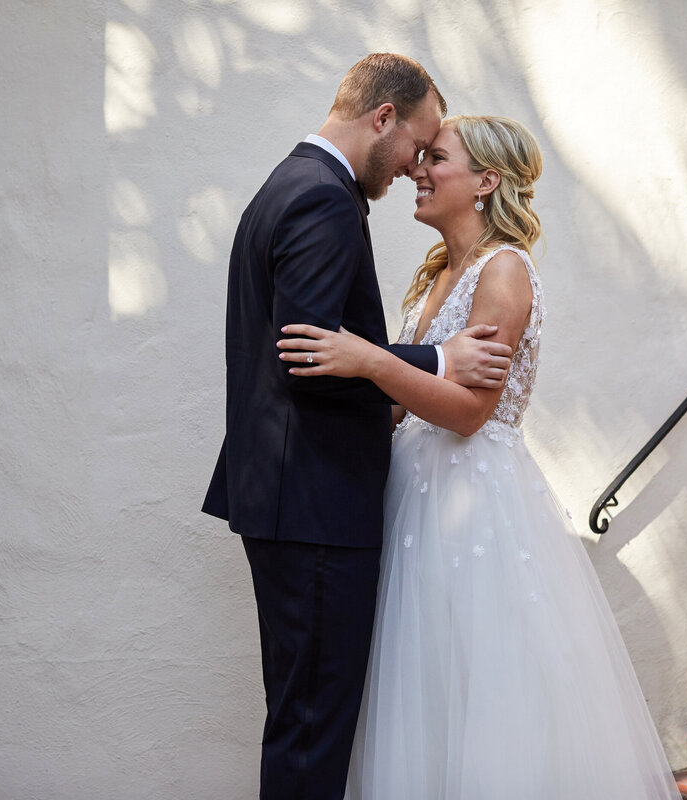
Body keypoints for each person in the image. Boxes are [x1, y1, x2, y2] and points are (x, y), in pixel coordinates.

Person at [278, 116, 682, 799]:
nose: (417, 170)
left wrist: (369, 359)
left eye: (436, 158)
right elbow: (409, 400)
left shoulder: (504, 273)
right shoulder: (439, 273)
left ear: (487, 181)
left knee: (481, 689)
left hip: (474, 514)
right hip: (416, 500)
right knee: (420, 689)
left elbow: (467, 413)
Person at [201, 55, 514, 800]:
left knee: (303, 720)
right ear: (384, 119)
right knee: (312, 730)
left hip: (291, 499)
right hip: (313, 504)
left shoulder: (290, 183)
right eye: (419, 144)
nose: (414, 167)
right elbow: (308, 352)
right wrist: (436, 356)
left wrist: (390, 369)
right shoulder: (325, 199)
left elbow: (323, 350)